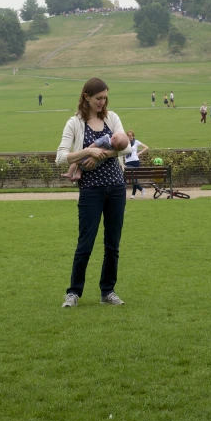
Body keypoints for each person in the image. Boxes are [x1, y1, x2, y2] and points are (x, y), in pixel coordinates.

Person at [56, 77, 131, 308]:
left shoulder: (112, 118)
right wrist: (86, 151)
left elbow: (125, 147)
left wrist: (103, 154)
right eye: (98, 98)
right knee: (85, 243)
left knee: (112, 244)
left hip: (116, 188)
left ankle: (107, 291)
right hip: (91, 191)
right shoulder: (75, 123)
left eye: (105, 98)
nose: (102, 102)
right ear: (86, 97)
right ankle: (73, 293)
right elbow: (60, 157)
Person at [62, 131, 129, 182]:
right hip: (94, 165)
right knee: (81, 166)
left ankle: (70, 173)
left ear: (113, 138)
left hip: (87, 158)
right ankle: (78, 175)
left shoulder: (105, 139)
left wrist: (88, 149)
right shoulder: (112, 150)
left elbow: (95, 144)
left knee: (76, 162)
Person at [125, 130, 149, 199]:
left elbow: (146, 147)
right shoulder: (126, 143)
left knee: (134, 178)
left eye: (131, 135)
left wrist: (139, 153)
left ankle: (133, 194)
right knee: (130, 178)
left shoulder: (136, 142)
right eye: (129, 135)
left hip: (135, 160)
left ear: (133, 136)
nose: (130, 137)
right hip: (128, 161)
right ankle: (141, 189)